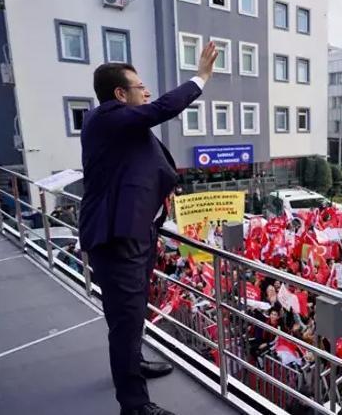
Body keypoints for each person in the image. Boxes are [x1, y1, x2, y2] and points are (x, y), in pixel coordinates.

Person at [79, 42, 218, 415]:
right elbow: (164, 108)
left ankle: (132, 364)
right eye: (140, 86)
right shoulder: (107, 117)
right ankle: (135, 405)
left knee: (132, 311)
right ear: (120, 94)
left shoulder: (120, 122)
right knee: (125, 320)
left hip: (134, 234)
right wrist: (201, 77)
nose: (148, 92)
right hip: (116, 237)